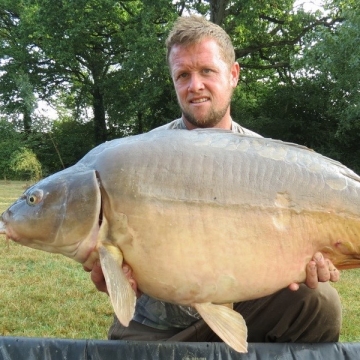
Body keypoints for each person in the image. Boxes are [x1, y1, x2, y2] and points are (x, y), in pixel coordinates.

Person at [86, 15, 342, 344]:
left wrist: (322, 260)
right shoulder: (141, 158)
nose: (195, 85)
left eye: (207, 71)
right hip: (157, 324)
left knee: (319, 301)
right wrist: (109, 275)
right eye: (183, 75)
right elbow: (108, 272)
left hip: (248, 306)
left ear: (233, 75)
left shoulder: (267, 160)